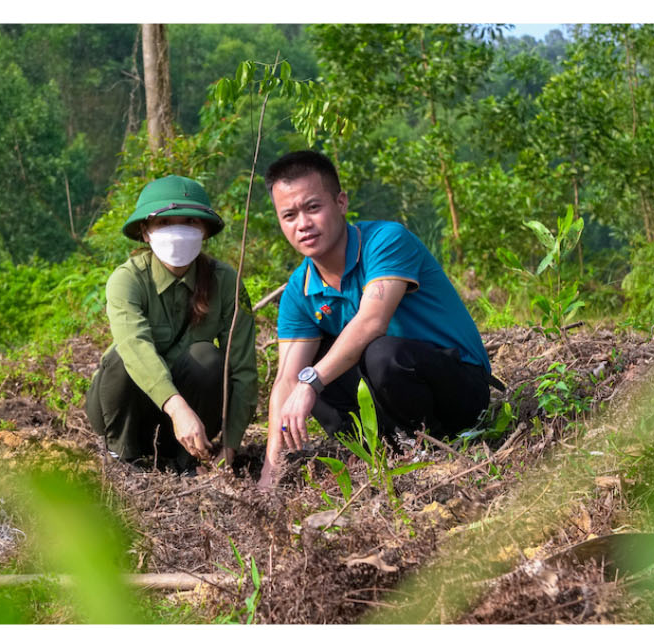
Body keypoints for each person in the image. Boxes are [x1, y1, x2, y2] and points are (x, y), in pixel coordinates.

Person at [259, 149, 494, 492]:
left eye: (313, 208)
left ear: (340, 202)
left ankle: (435, 449)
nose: (303, 224)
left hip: (458, 390)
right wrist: (269, 474)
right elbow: (284, 382)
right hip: (394, 404)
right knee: (309, 368)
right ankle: (382, 452)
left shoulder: (385, 241)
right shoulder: (300, 288)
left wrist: (310, 382)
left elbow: (372, 322)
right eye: (289, 215)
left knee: (378, 354)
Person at [86, 176, 258, 473]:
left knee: (207, 357)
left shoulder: (225, 282)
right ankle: (125, 457)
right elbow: (135, 346)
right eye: (165, 223)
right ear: (145, 232)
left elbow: (243, 367)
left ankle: (184, 460)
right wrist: (176, 407)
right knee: (121, 357)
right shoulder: (128, 280)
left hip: (194, 417)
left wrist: (230, 445)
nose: (178, 232)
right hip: (127, 407)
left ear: (204, 231)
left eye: (190, 222)